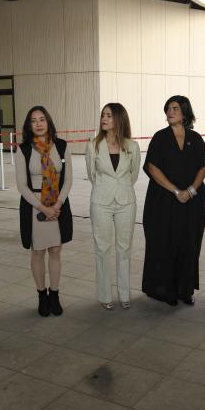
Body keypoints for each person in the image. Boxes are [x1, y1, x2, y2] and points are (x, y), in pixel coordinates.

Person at [142, 96, 205, 306]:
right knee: (164, 243)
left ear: (185, 113)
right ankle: (165, 291)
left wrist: (190, 191)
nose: (170, 112)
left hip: (192, 201)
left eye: (175, 108)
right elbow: (152, 167)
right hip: (163, 201)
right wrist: (176, 191)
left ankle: (185, 290)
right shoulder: (160, 137)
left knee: (188, 243)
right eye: (168, 109)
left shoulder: (196, 139)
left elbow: (202, 168)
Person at [16, 105, 73, 316]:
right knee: (38, 252)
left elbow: (68, 180)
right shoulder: (23, 149)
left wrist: (57, 206)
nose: (38, 124)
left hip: (58, 205)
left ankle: (54, 294)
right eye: (33, 121)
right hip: (35, 206)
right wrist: (43, 208)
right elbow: (22, 186)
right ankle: (42, 295)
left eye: (42, 119)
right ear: (29, 125)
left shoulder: (61, 146)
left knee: (56, 251)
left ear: (48, 122)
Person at [85, 103, 141, 310]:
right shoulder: (93, 145)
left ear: (119, 119)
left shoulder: (132, 146)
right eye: (103, 115)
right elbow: (92, 175)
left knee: (124, 248)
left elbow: (133, 175)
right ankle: (105, 296)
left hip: (126, 201)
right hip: (101, 201)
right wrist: (106, 188)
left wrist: (120, 188)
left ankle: (125, 294)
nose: (104, 119)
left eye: (109, 115)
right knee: (102, 249)